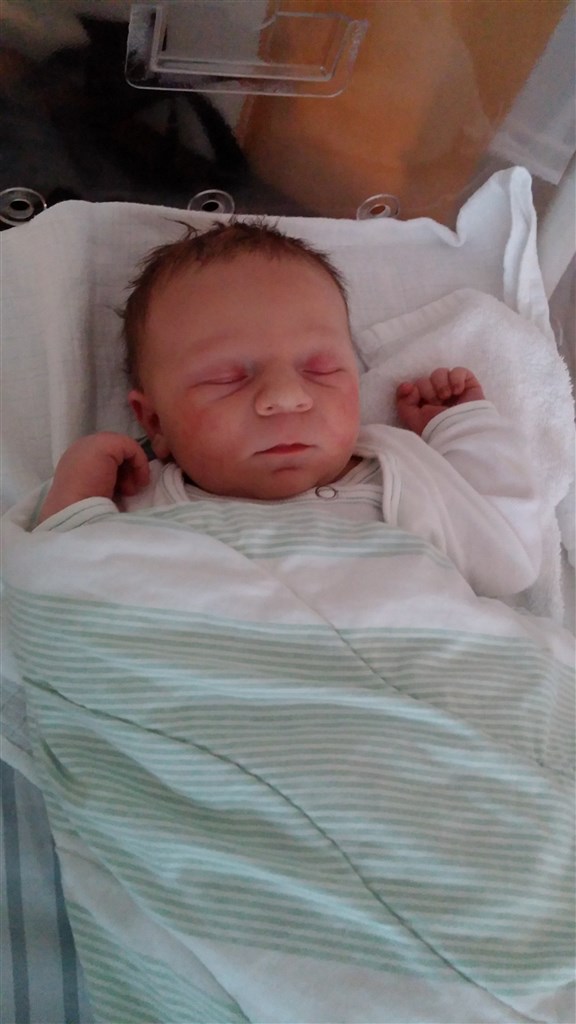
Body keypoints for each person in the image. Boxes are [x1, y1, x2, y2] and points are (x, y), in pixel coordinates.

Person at [36, 221, 542, 597]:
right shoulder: (143, 505)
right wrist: (77, 493)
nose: (285, 396)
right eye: (227, 377)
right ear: (153, 422)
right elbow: (60, 591)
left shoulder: (400, 472)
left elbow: (510, 557)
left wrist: (461, 428)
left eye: (321, 369)